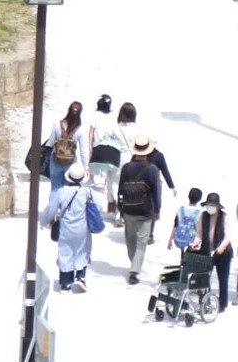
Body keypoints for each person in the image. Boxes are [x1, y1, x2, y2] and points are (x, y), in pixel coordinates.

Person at [39, 160, 94, 293]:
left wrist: (43, 221)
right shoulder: (87, 192)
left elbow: (51, 209)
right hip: (83, 227)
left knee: (65, 252)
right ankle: (81, 277)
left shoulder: (61, 192)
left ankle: (65, 283)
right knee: (82, 251)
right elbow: (98, 206)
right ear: (82, 178)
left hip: (66, 227)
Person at [117, 136, 165, 284]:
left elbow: (120, 189)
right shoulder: (152, 169)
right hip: (146, 210)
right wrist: (157, 210)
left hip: (129, 210)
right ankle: (134, 270)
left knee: (130, 240)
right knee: (142, 242)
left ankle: (134, 264)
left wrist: (121, 208)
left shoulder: (126, 168)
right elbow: (156, 191)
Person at [87, 95, 128, 218]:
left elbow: (91, 131)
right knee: (110, 170)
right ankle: (104, 183)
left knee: (94, 163)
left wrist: (90, 144)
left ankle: (92, 179)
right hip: (111, 146)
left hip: (98, 144)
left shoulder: (95, 115)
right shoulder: (113, 116)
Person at [194, 191, 235, 311]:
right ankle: (205, 302)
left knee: (223, 279)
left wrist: (221, 247)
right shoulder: (203, 216)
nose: (210, 208)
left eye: (212, 205)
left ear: (217, 206)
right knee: (204, 278)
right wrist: (196, 242)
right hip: (207, 251)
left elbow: (228, 236)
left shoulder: (224, 217)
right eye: (208, 205)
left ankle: (222, 305)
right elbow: (199, 233)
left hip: (223, 253)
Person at [44, 100, 86, 196]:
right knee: (68, 189)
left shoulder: (57, 124)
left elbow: (50, 143)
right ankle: (65, 209)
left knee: (55, 188)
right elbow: (84, 151)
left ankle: (53, 208)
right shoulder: (80, 129)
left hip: (55, 160)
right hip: (70, 162)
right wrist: (85, 167)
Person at [170, 187, 203, 255]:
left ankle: (183, 258)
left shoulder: (180, 210)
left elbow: (175, 226)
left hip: (178, 240)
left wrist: (170, 240)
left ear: (188, 196)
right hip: (191, 242)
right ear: (199, 199)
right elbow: (199, 230)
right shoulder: (199, 213)